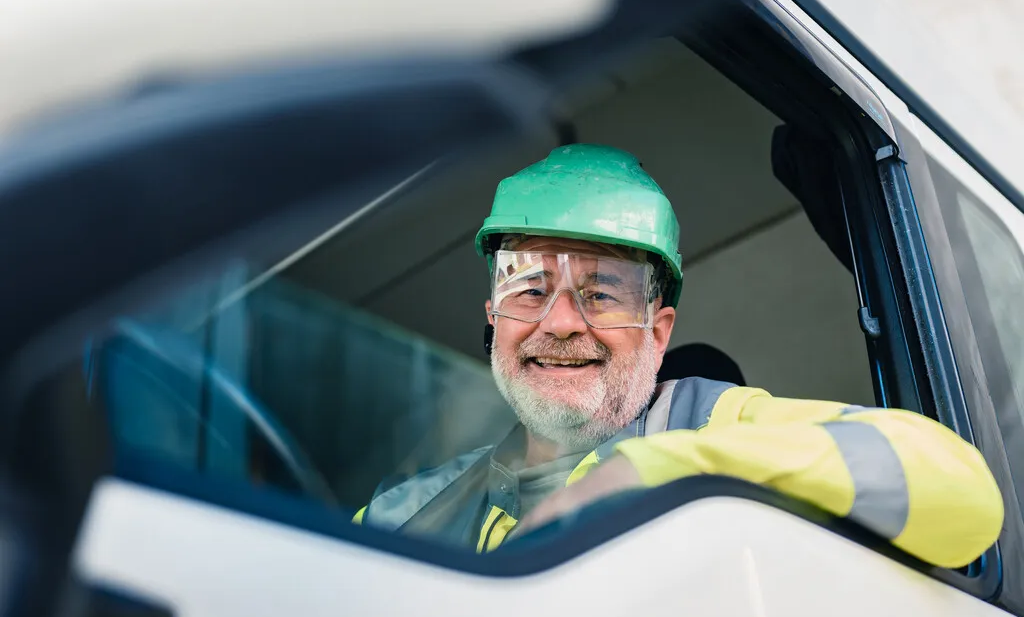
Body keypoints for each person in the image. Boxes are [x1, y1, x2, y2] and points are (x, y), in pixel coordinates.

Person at [354, 143, 1003, 568]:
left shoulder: (709, 422)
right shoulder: (406, 510)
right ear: (493, 316)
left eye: (602, 291)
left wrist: (659, 471)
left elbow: (967, 494)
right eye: (528, 285)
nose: (558, 321)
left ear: (659, 333)